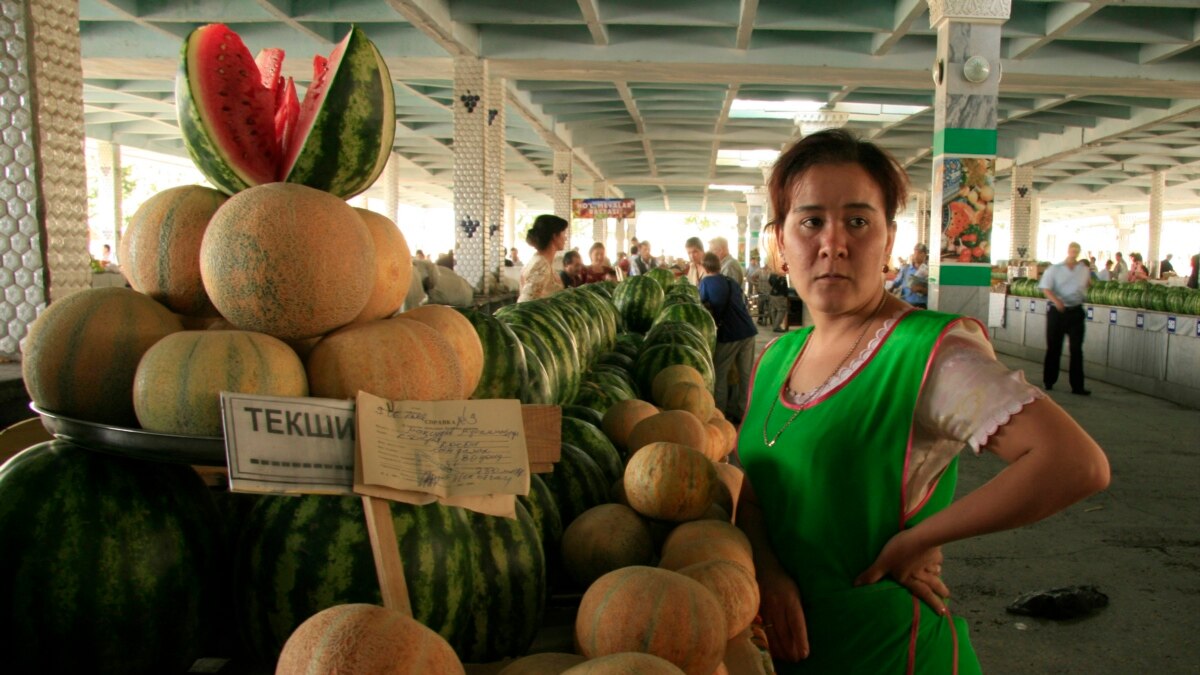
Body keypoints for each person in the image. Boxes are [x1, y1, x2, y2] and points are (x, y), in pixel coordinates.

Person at [737, 129, 1109, 674]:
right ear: (780, 242)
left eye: (859, 221)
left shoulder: (930, 353)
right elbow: (754, 487)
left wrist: (921, 537)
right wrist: (768, 575)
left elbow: (1075, 464)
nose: (833, 242)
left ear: (888, 242)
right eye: (811, 220)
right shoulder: (776, 359)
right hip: (787, 651)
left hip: (890, 650)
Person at [699, 252, 757, 424]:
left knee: (720, 374)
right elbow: (743, 302)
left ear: (704, 267)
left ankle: (720, 413)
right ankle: (744, 413)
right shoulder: (730, 281)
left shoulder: (706, 283)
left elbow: (701, 306)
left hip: (729, 334)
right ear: (719, 265)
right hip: (748, 331)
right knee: (746, 374)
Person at [1039, 242, 1092, 395]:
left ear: (1079, 252)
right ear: (1068, 251)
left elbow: (1088, 284)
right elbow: (1046, 289)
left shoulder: (1083, 270)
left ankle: (1077, 386)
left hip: (1076, 312)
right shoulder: (1054, 269)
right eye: (1072, 249)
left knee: (1076, 350)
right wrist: (1057, 301)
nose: (1074, 252)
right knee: (1054, 348)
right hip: (1057, 312)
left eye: (1077, 250)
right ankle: (1049, 380)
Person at [518, 215, 568, 302]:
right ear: (555, 236)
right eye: (564, 233)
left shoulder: (539, 261)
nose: (566, 238)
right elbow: (524, 304)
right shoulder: (541, 265)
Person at [887, 243, 929, 309]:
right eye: (915, 252)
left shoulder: (929, 271)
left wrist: (922, 289)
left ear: (924, 255)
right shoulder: (905, 269)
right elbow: (896, 283)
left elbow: (933, 290)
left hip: (922, 305)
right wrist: (888, 293)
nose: (916, 255)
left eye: (919, 253)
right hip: (907, 304)